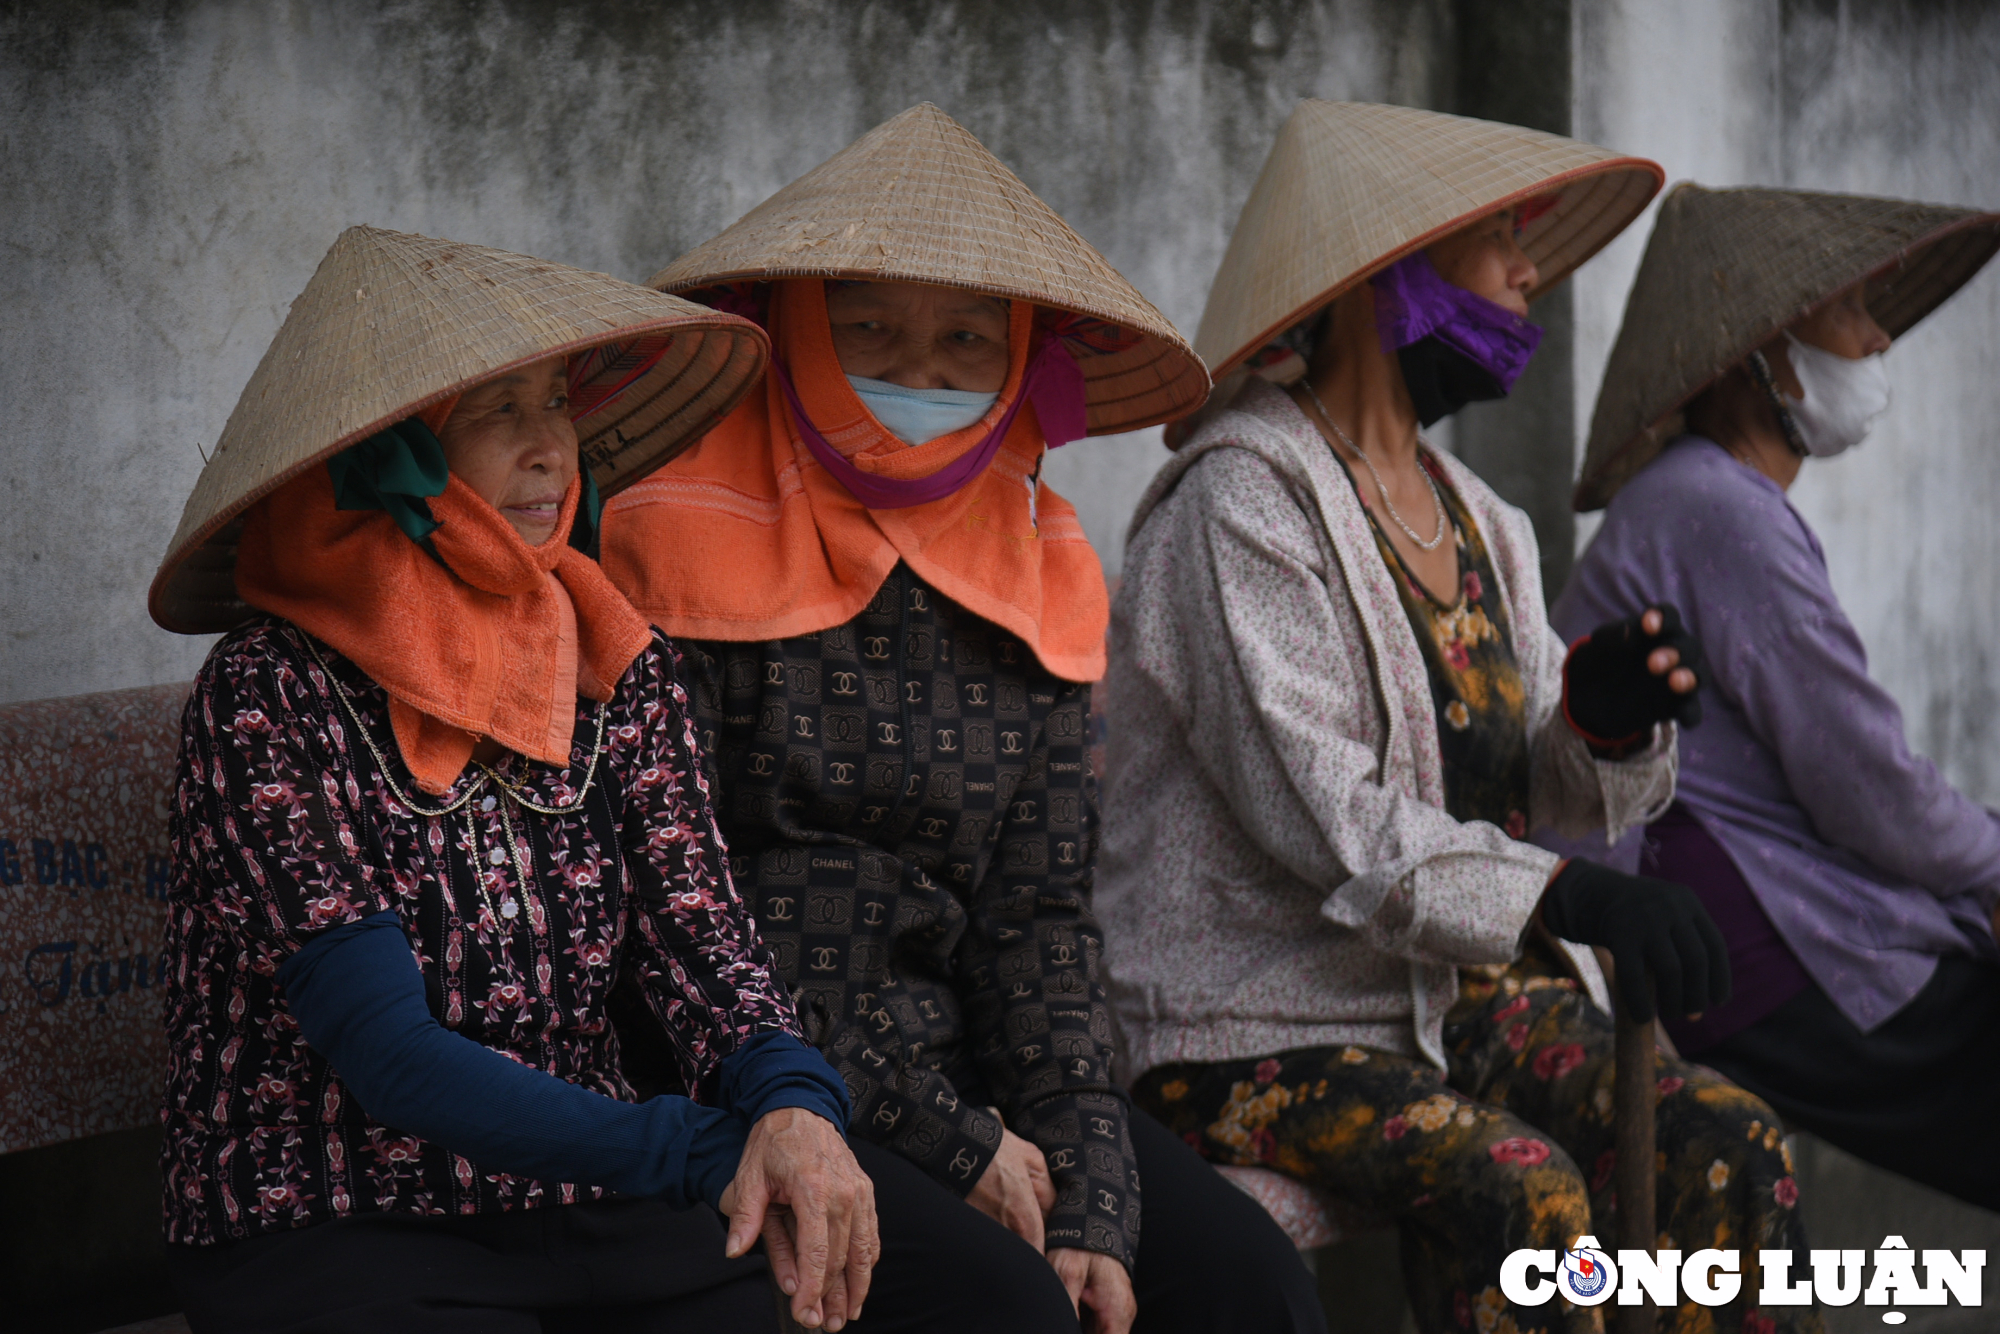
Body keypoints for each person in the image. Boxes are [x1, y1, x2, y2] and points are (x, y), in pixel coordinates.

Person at [602, 104, 1324, 1334]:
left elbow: (1035, 921)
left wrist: (1087, 1186)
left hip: (966, 1064)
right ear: (789, 330)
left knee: (1250, 1285)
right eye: (869, 329)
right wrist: (948, 1138)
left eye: (964, 342)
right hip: (741, 1075)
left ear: (1020, 359)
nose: (917, 376)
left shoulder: (1034, 561)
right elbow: (687, 908)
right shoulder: (662, 538)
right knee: (1005, 1310)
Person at [1100, 102, 1819, 1334]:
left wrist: (1601, 724)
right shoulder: (1236, 505)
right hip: (1247, 1023)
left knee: (1733, 1143)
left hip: (1449, 1000)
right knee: (1520, 1193)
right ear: (1390, 271)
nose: (1530, 266)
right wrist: (1567, 896)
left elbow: (1543, 772)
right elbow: (1326, 817)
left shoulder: (1479, 516)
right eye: (1499, 235)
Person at [150, 225, 878, 1334]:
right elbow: (389, 1059)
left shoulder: (607, 656)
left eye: (554, 400)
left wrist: (791, 1102)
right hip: (331, 1224)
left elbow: (704, 937)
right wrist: (706, 1147)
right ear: (393, 451)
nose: (550, 447)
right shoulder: (268, 695)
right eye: (496, 411)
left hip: (585, 1201)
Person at [1558, 183, 2000, 1211]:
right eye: (1848, 311)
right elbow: (1865, 784)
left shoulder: (1700, 499)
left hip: (1744, 931)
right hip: (1742, 951)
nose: (1875, 338)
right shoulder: (1717, 510)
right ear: (1762, 354)